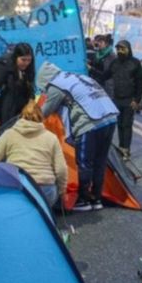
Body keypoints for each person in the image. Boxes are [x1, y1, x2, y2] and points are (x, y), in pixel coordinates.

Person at [38, 63, 118, 210]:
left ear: (45, 80)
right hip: (110, 118)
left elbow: (43, 112)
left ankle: (84, 200)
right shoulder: (76, 77)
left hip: (90, 122)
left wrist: (26, 120)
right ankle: (97, 199)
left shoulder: (56, 86)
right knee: (100, 161)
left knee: (84, 163)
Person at [0, 100, 68, 212]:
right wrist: (62, 191)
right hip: (46, 188)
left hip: (18, 186)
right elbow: (61, 169)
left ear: (21, 116)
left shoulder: (9, 134)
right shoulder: (51, 137)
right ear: (41, 118)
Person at [0, 42, 36, 131]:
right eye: (23, 60)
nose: (26, 63)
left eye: (29, 60)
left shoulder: (27, 70)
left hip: (19, 114)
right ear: (16, 57)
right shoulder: (2, 68)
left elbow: (30, 87)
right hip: (3, 113)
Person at [106, 39, 142, 160]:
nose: (120, 51)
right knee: (119, 124)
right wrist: (90, 69)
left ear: (128, 49)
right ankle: (121, 147)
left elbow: (141, 83)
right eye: (118, 48)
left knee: (127, 125)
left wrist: (136, 100)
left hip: (130, 100)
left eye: (122, 48)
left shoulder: (135, 63)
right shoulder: (115, 63)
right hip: (117, 99)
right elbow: (105, 75)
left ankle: (126, 150)